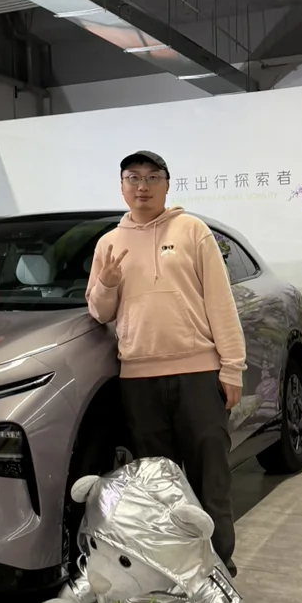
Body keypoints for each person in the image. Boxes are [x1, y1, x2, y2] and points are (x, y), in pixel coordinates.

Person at [86, 150, 245, 575]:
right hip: (139, 379)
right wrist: (107, 284)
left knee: (210, 475)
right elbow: (99, 312)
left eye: (152, 177)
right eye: (133, 177)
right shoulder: (109, 243)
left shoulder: (192, 230)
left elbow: (221, 303)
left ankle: (218, 567)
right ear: (122, 186)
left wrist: (231, 367)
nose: (143, 186)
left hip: (198, 373)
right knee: (158, 484)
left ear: (167, 185)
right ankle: (171, 569)